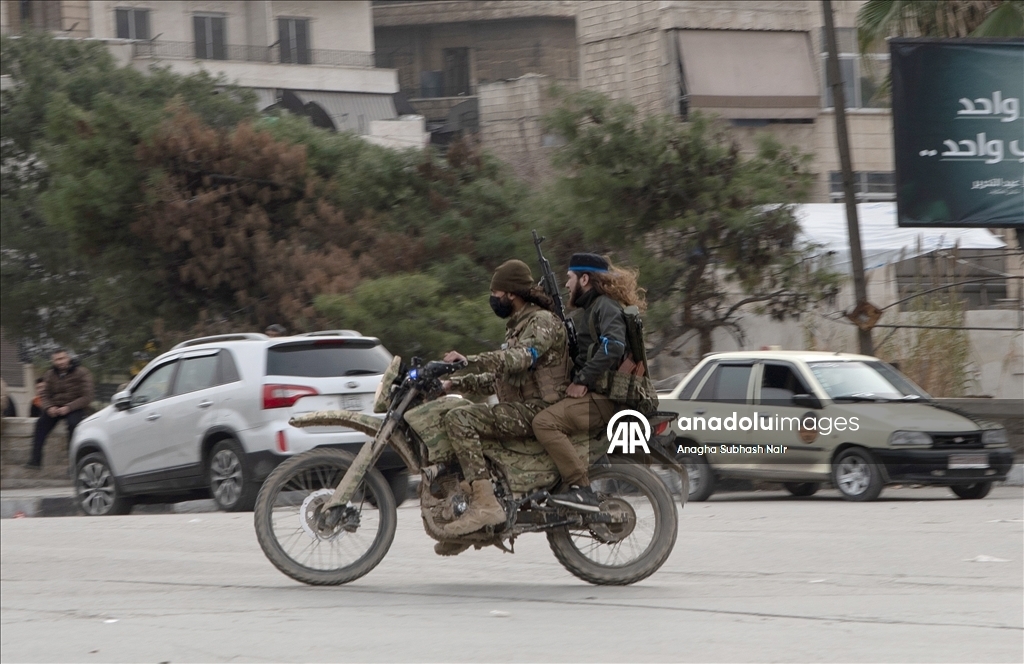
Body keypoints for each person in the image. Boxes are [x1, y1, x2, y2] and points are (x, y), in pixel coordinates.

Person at [438, 259, 570, 540]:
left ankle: (486, 505)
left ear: (511, 293)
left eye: (496, 294)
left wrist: (469, 360)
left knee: (459, 419)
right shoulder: (518, 326)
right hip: (521, 408)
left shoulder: (542, 322)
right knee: (457, 409)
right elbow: (500, 379)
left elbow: (521, 357)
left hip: (539, 410)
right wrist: (452, 384)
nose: (493, 300)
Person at [532, 253, 646, 511]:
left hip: (604, 399)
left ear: (585, 278)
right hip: (599, 396)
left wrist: (582, 380)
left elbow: (614, 347)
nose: (567, 284)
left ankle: (580, 489)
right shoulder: (594, 308)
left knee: (545, 423)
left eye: (570, 278)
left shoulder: (605, 305)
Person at [25, 350, 94, 470]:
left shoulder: (82, 373)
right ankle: (35, 460)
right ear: (53, 361)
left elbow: (87, 397)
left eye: (62, 358)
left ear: (68, 358)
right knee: (40, 424)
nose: (60, 362)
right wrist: (49, 407)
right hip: (55, 408)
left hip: (75, 407)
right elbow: (45, 395)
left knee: (73, 425)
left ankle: (73, 464)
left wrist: (69, 407)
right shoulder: (50, 374)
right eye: (57, 359)